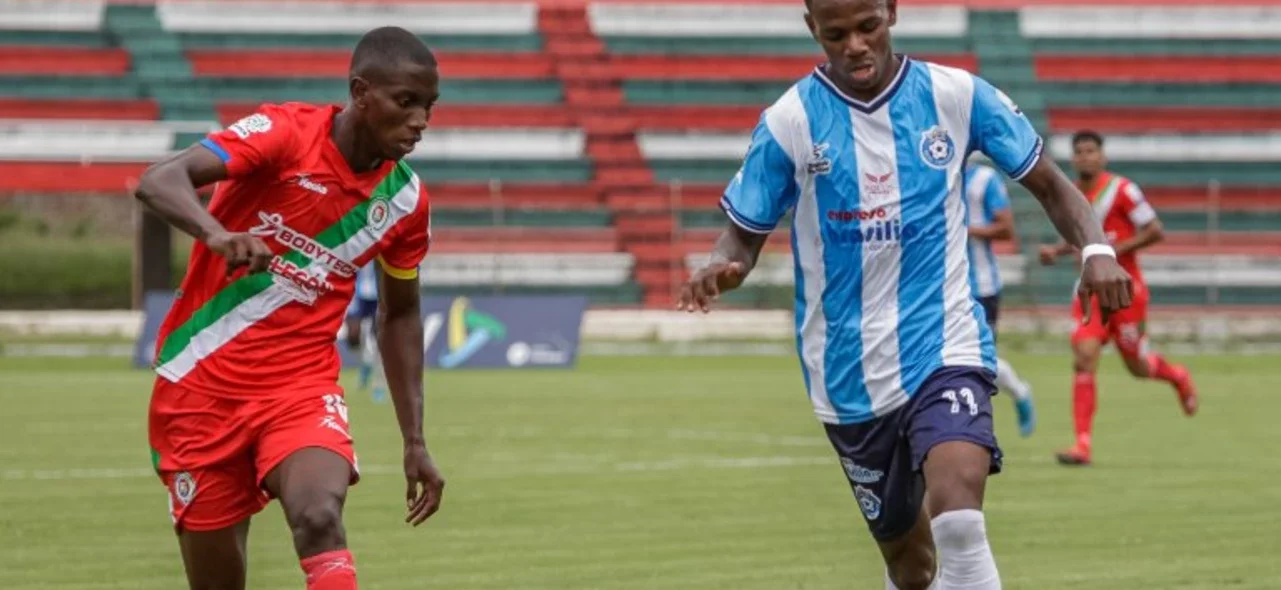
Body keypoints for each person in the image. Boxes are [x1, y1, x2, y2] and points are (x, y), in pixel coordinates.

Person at [677, 1, 1133, 588]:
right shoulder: (791, 120)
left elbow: (1051, 184)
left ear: (891, 11)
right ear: (813, 29)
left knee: (960, 525)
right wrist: (722, 265)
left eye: (867, 26)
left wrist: (1096, 250)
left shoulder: (956, 96)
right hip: (847, 370)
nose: (855, 45)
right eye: (836, 33)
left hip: (944, 343)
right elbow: (742, 235)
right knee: (912, 567)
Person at [134, 26, 444, 590]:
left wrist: (415, 439)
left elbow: (400, 313)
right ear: (361, 93)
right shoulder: (285, 134)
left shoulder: (404, 202)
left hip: (299, 389)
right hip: (199, 387)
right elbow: (159, 180)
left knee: (319, 517)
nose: (421, 120)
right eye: (406, 102)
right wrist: (216, 234)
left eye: (429, 106)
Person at [1039, 130, 1199, 467]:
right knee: (1084, 356)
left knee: (1138, 366)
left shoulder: (1123, 190)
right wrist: (1056, 251)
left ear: (1103, 156)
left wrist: (1113, 251)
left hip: (1126, 291)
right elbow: (1080, 238)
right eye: (1079, 152)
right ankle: (1082, 444)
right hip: (1090, 291)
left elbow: (1155, 230)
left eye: (1090, 151)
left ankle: (1177, 377)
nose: (1085, 157)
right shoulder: (1072, 194)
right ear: (1073, 158)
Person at [964, 161, 1036, 437]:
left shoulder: (984, 179)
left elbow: (1006, 229)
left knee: (980, 359)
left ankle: (1017, 392)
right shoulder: (931, 174)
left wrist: (964, 229)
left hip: (980, 285)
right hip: (939, 285)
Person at [345, 262, 388, 402]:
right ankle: (365, 364)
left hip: (379, 295)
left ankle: (379, 386)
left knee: (380, 341)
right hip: (357, 293)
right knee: (353, 337)